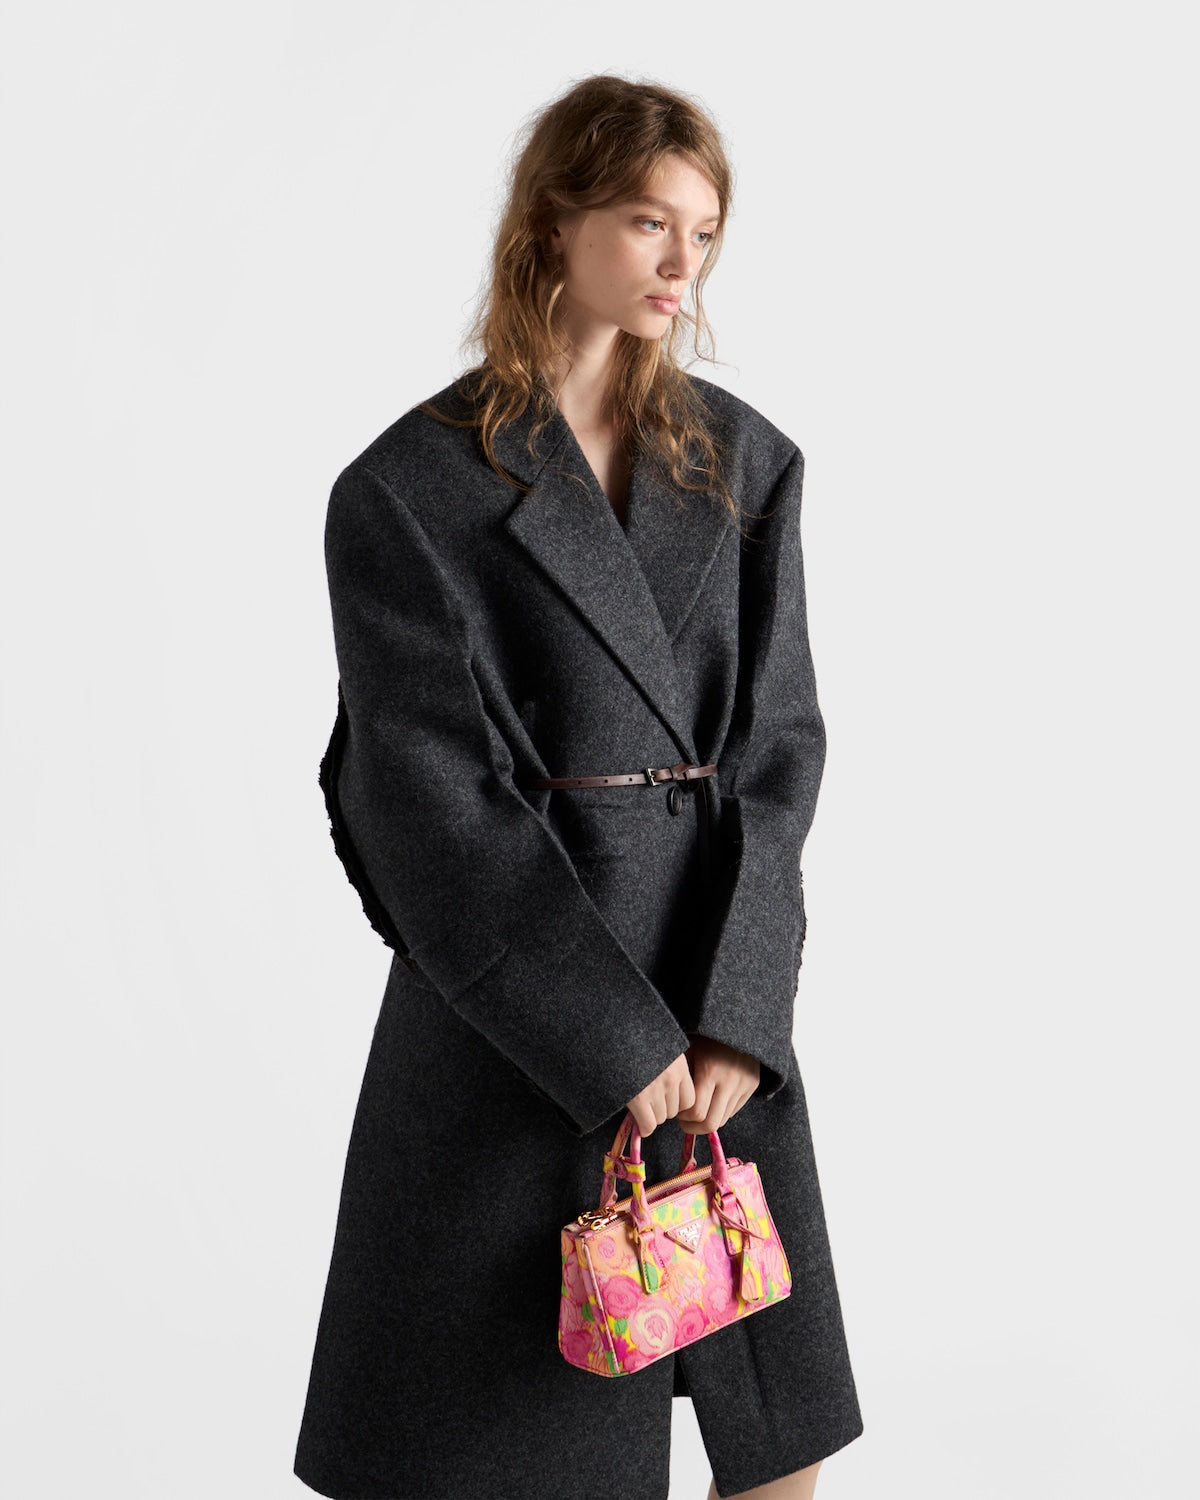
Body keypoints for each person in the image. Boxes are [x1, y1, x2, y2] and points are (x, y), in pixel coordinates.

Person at [293, 74, 864, 1500]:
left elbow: (781, 750)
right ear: (554, 220)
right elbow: (427, 804)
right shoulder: (409, 493)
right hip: (521, 1021)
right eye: (649, 222)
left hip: (714, 1021)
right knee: (517, 1452)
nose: (684, 264)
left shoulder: (745, 464)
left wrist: (743, 1011)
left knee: (774, 1456)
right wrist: (606, 1035)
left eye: (705, 233)